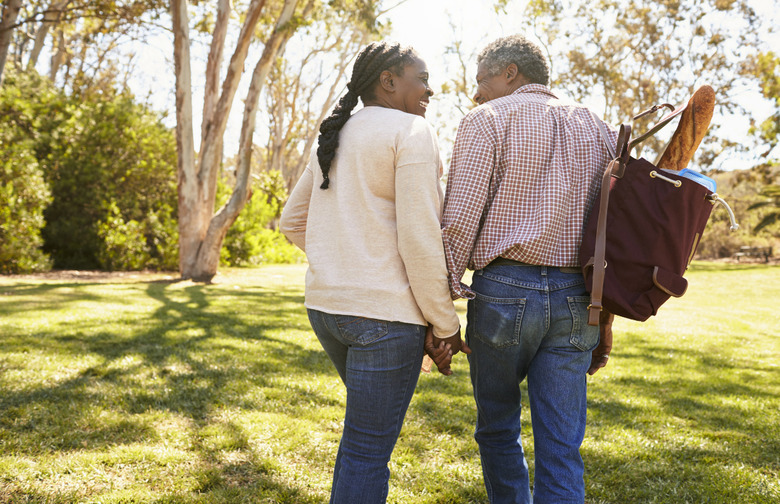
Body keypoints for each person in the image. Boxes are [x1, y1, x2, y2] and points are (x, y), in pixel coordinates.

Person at [279, 40, 469, 504]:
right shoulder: (411, 131)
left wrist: (345, 260)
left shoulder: (337, 131)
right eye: (421, 78)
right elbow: (420, 240)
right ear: (388, 81)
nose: (431, 88)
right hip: (383, 322)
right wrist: (444, 326)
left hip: (326, 310)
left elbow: (292, 221)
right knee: (367, 449)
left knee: (360, 441)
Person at [441, 34, 616, 504]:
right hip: (579, 298)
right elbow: (610, 230)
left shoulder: (486, 120)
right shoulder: (598, 127)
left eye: (481, 81)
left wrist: (441, 300)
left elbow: (459, 219)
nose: (475, 93)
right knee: (562, 445)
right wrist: (608, 316)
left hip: (503, 291)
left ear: (510, 73)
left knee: (498, 427)